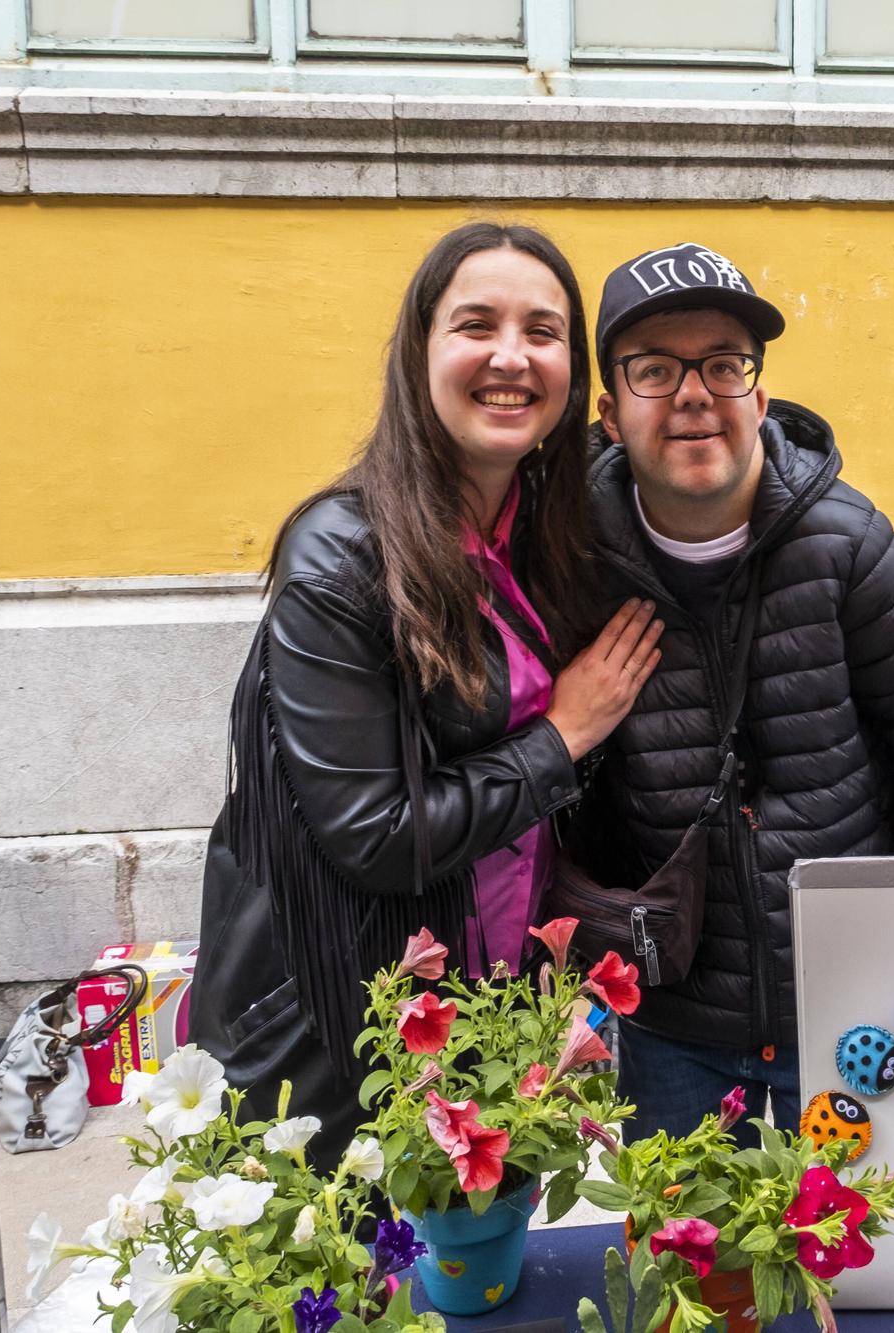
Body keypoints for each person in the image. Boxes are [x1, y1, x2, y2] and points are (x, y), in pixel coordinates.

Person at [190, 223, 663, 1163]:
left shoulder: (544, 534)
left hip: (493, 1006)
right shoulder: (340, 556)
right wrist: (562, 736)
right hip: (345, 1027)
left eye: (543, 331)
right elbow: (374, 834)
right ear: (419, 353)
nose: (510, 356)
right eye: (475, 324)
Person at [576, 242, 894, 1138]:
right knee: (697, 1267)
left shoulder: (850, 549)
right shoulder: (571, 564)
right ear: (611, 414)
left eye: (724, 365)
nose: (695, 394)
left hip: (849, 1010)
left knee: (866, 1264)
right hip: (672, 1024)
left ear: (759, 398)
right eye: (656, 370)